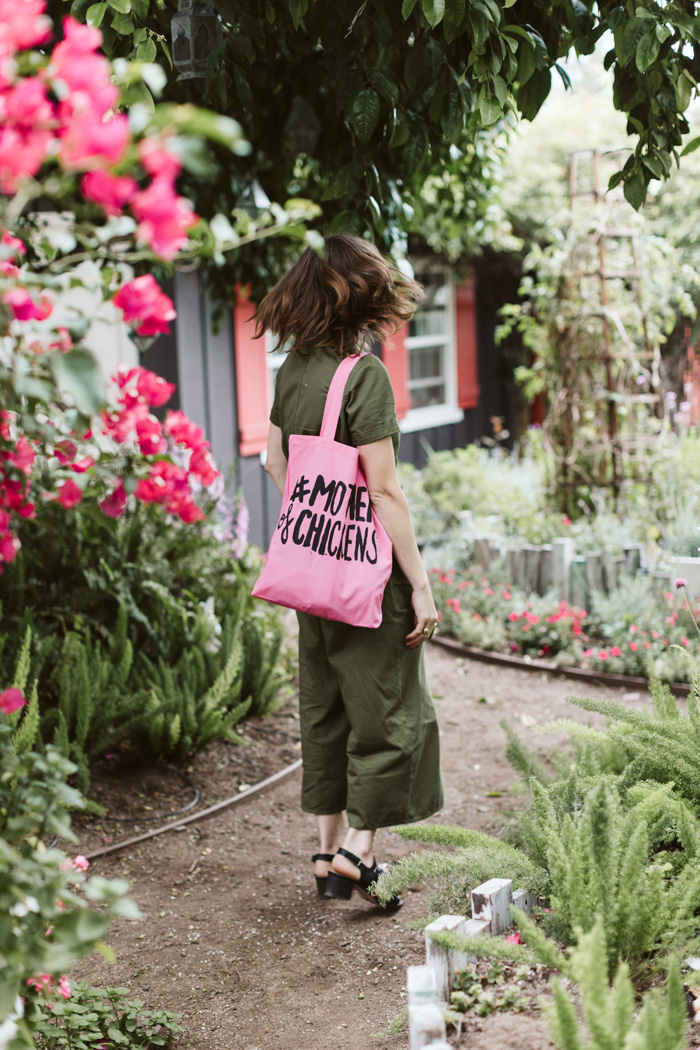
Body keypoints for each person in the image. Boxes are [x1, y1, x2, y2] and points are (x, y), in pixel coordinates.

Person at [254, 234, 444, 908]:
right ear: (361, 299)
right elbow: (385, 492)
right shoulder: (362, 376)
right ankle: (357, 855)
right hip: (367, 579)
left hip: (312, 575)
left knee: (326, 708)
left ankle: (323, 850)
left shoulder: (292, 369)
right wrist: (419, 583)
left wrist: (317, 528)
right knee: (391, 713)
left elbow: (276, 464)